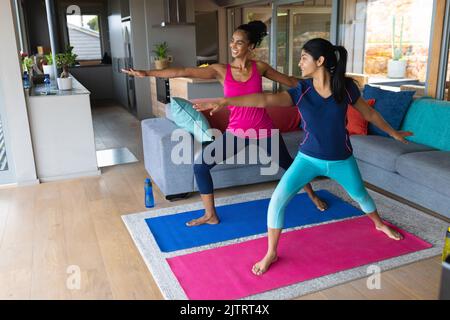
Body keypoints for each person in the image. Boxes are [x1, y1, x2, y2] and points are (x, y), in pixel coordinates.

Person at [194, 38, 410, 275]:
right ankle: (271, 253)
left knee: (361, 196)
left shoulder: (345, 88)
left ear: (320, 61)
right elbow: (265, 99)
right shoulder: (301, 91)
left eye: (304, 58)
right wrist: (226, 101)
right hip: (307, 159)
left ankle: (379, 224)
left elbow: (368, 112)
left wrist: (393, 133)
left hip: (342, 160)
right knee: (277, 201)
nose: (299, 63)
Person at [122, 21, 327, 227]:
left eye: (239, 42)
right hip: (236, 133)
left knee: (289, 165)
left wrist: (322, 81)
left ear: (251, 47)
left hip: (264, 130)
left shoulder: (260, 68)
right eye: (232, 42)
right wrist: (147, 73)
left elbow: (290, 81)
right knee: (201, 165)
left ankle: (313, 196)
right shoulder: (221, 70)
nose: (233, 46)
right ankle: (210, 215)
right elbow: (183, 71)